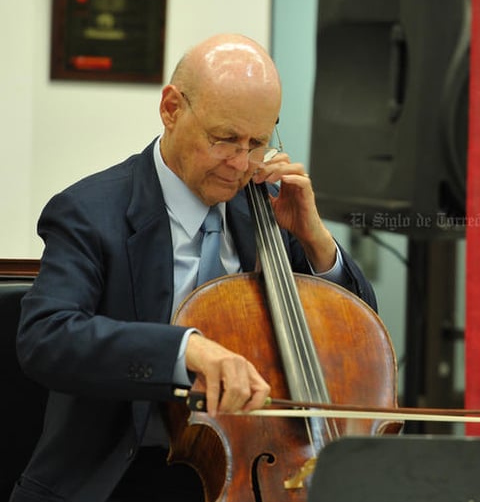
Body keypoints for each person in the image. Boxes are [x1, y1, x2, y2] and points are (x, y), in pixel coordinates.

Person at [11, 33, 378, 502]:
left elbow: (356, 340)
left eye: (258, 143)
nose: (241, 164)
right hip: (115, 478)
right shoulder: (88, 212)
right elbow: (46, 338)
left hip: (247, 473)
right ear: (171, 109)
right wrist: (185, 351)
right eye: (224, 139)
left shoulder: (270, 211)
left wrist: (316, 238)